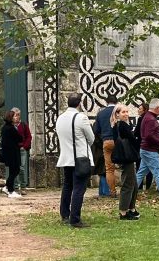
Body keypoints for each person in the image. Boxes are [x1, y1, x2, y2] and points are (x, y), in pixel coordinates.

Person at [55, 93, 95, 228]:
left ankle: (65, 214)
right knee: (79, 188)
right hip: (80, 158)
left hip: (66, 157)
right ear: (79, 103)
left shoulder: (60, 118)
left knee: (67, 187)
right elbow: (91, 138)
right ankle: (75, 219)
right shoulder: (81, 118)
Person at [112, 104, 140, 220]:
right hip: (126, 157)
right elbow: (133, 139)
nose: (126, 114)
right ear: (117, 114)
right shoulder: (122, 125)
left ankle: (130, 208)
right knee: (128, 184)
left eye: (127, 112)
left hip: (126, 156)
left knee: (133, 184)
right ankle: (123, 211)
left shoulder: (118, 125)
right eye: (123, 112)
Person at [93, 94, 118, 197]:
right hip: (118, 142)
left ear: (106, 102)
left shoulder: (101, 114)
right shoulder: (118, 112)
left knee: (108, 169)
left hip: (106, 142)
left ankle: (111, 191)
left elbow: (95, 130)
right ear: (116, 102)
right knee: (125, 167)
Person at [1, 109, 23, 198]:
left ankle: (7, 187)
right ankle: (10, 190)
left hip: (9, 152)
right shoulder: (10, 128)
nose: (16, 117)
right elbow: (20, 138)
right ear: (10, 118)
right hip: (12, 153)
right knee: (15, 170)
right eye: (14, 116)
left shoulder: (5, 127)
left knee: (13, 171)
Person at [134, 103, 153, 191]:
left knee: (140, 166)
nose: (138, 110)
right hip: (150, 145)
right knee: (149, 166)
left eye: (140, 109)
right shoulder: (151, 118)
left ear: (144, 110)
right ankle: (148, 186)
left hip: (141, 144)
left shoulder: (141, 119)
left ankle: (139, 186)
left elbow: (137, 132)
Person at [13, 107, 32, 195]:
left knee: (21, 168)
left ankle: (23, 187)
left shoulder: (24, 125)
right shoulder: (10, 126)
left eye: (18, 115)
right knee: (14, 168)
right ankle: (15, 187)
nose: (16, 117)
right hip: (13, 150)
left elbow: (29, 137)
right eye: (15, 115)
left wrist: (24, 146)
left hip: (21, 150)